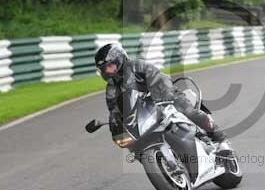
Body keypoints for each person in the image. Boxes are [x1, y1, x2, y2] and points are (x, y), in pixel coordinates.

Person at [94, 43, 232, 154]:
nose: (108, 71)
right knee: (134, 143)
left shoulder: (137, 66)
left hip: (167, 97)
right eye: (104, 69)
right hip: (145, 114)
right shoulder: (111, 89)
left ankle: (219, 138)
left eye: (110, 66)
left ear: (120, 60)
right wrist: (114, 121)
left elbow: (157, 77)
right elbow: (114, 109)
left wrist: (164, 97)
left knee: (189, 112)